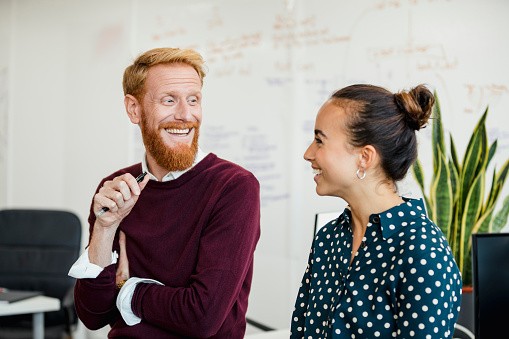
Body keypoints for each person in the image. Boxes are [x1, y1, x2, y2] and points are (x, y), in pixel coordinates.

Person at [68, 47, 261, 338]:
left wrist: (127, 289)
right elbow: (93, 315)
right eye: (169, 100)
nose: (185, 115)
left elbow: (202, 317)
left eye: (193, 100)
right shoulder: (117, 189)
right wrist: (105, 231)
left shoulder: (233, 186)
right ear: (134, 109)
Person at [290, 84, 462, 338]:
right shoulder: (328, 239)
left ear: (365, 157)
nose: (308, 154)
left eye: (319, 140)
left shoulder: (422, 250)